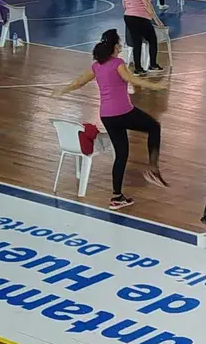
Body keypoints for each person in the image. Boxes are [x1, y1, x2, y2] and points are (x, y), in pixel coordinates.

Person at [55, 29, 168, 210]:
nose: (121, 45)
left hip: (107, 116)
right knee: (154, 127)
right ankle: (153, 168)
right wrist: (157, 86)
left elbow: (79, 82)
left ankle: (117, 197)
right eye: (120, 43)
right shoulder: (118, 63)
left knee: (121, 155)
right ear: (115, 47)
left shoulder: (96, 66)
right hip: (123, 112)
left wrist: (62, 90)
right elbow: (132, 80)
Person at [121, 0, 166, 75]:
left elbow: (124, 5)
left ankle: (138, 68)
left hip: (128, 17)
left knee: (137, 42)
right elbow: (147, 5)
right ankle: (153, 64)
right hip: (141, 18)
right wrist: (157, 20)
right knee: (152, 39)